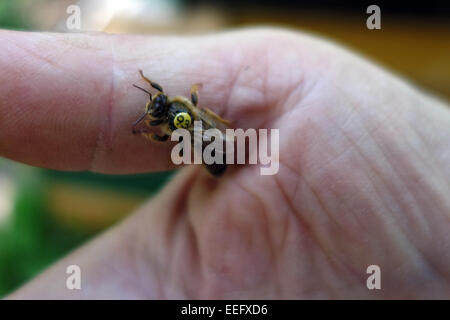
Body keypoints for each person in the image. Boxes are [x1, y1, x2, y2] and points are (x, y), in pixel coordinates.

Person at [1, 28, 449, 299]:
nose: (157, 105)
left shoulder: (180, 116)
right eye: (154, 104)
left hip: (215, 148)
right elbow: (184, 120)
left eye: (157, 102)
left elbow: (177, 124)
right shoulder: (184, 113)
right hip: (216, 148)